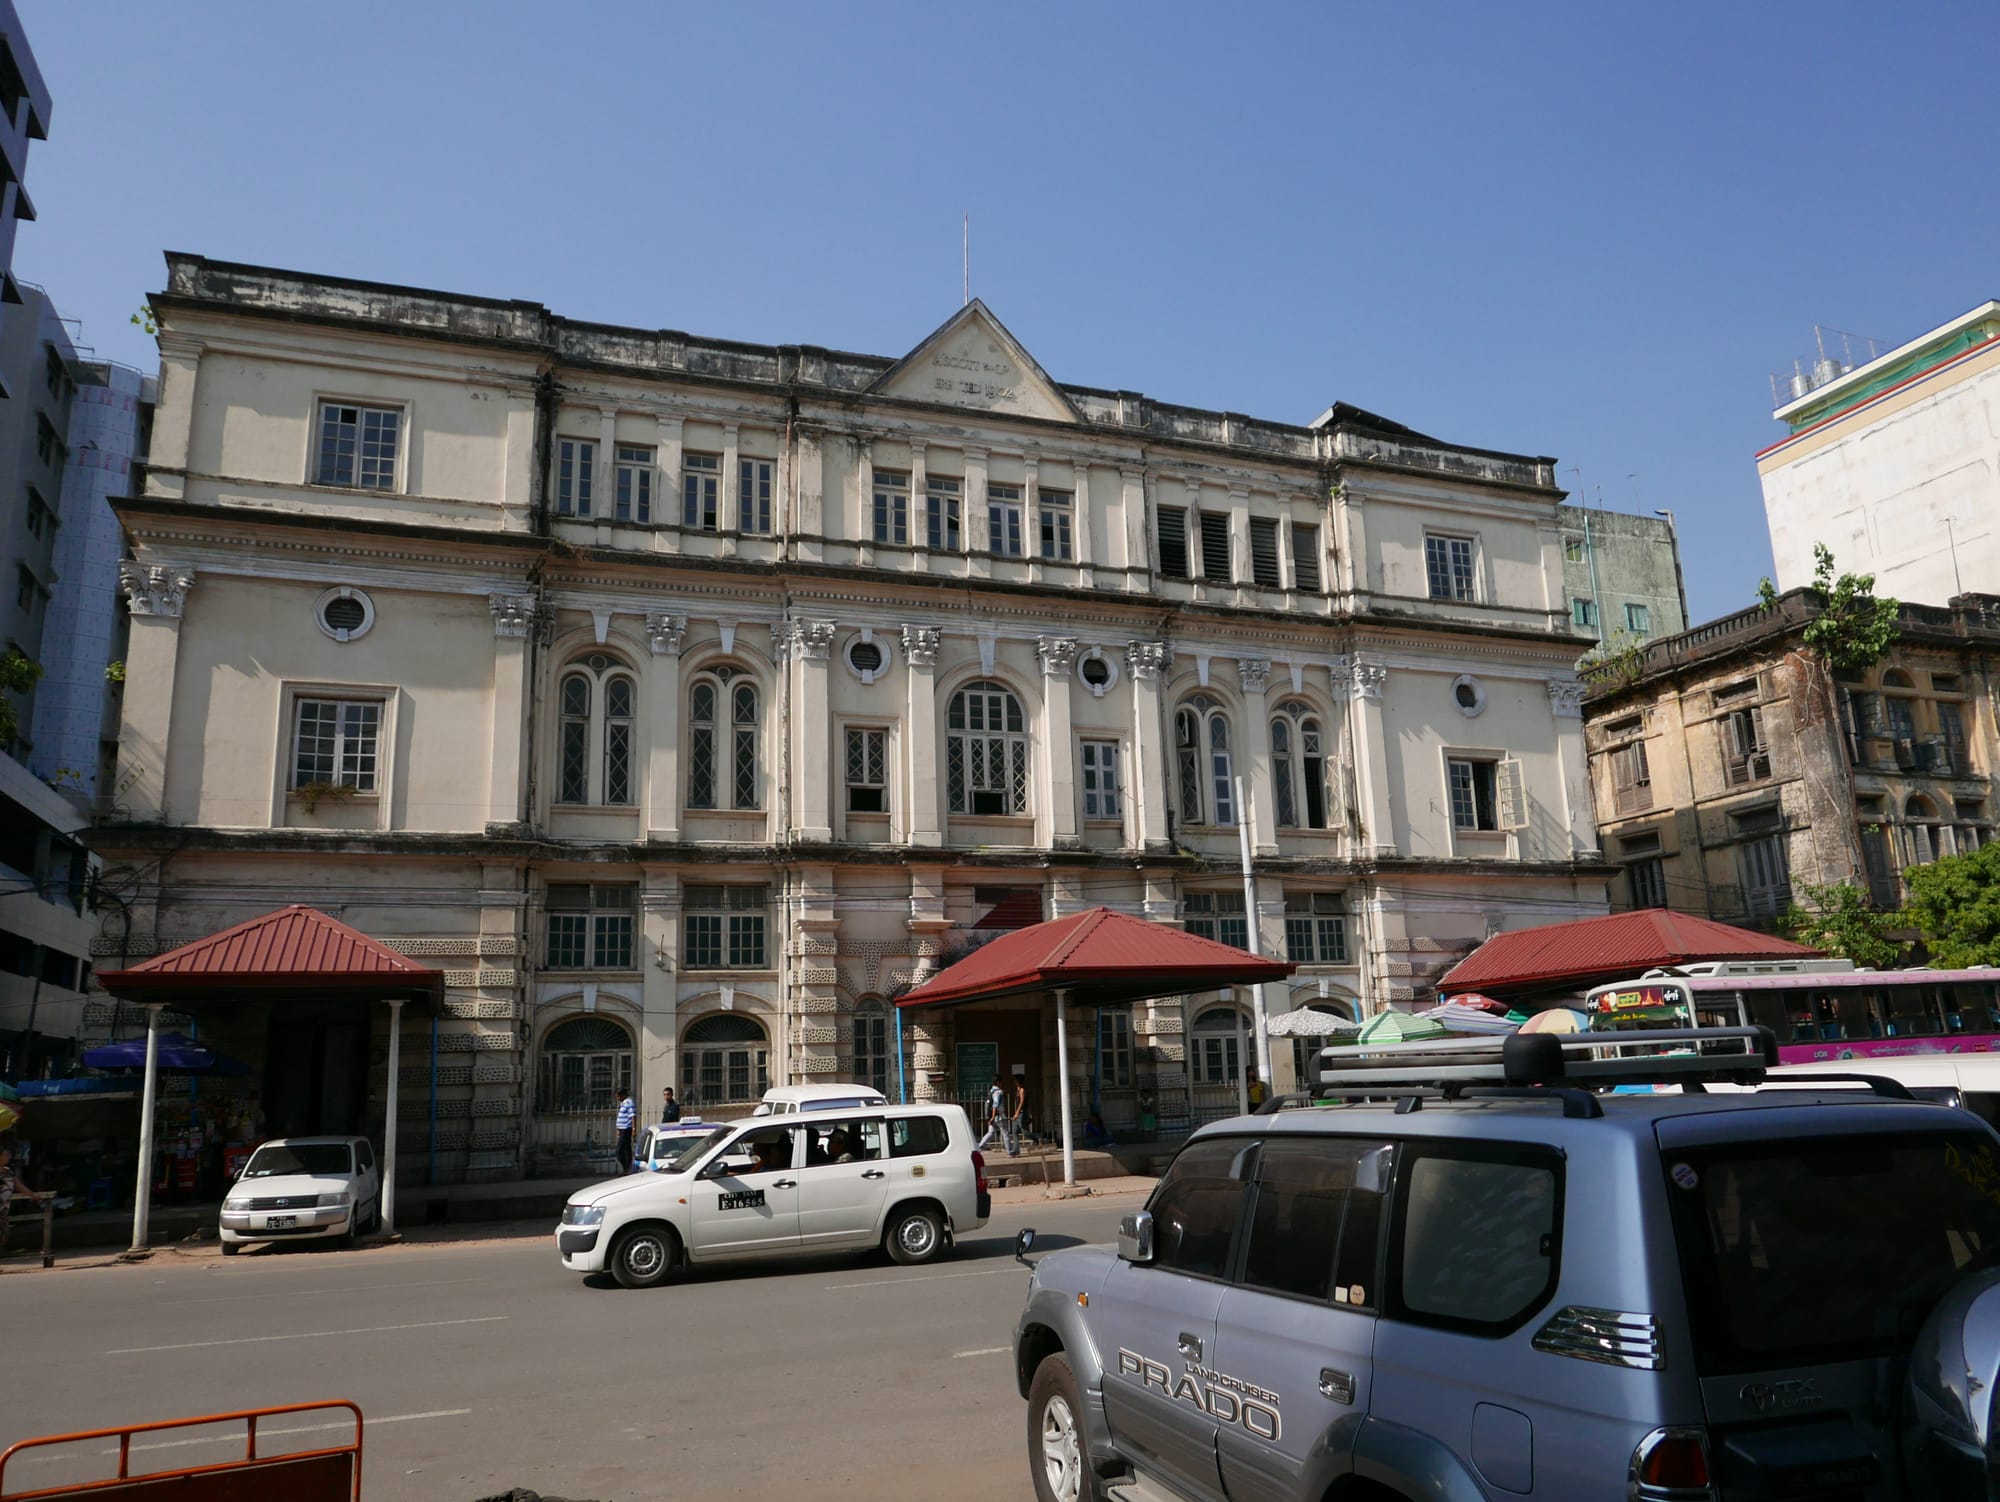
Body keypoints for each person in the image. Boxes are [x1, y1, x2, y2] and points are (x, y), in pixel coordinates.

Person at [0, 1145, 50, 1256]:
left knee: (4, 1233)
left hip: (3, 1209)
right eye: (5, 1155)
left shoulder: (8, 1172)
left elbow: (20, 1186)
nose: (8, 1157)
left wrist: (33, 1195)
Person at [976, 1075, 1007, 1152]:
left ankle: (980, 1146)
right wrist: (993, 1116)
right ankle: (1009, 1149)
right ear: (998, 1082)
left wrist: (990, 1116)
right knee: (1005, 1132)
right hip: (997, 1115)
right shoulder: (997, 1091)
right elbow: (995, 1104)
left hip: (992, 1115)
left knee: (991, 1132)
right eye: (1001, 1082)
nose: (1002, 1083)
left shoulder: (991, 1091)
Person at [613, 1087, 636, 1172]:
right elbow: (621, 1116)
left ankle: (627, 1167)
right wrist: (618, 1129)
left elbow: (633, 1116)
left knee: (619, 1151)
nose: (618, 1098)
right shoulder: (623, 1103)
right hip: (622, 1129)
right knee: (626, 1149)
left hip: (626, 1128)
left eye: (618, 1096)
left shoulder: (629, 1102)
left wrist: (633, 1129)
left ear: (623, 1095)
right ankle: (627, 1169)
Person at [1007, 1076, 1027, 1157]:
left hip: (1021, 1113)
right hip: (1017, 1113)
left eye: (1016, 1081)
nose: (1014, 1082)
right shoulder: (1018, 1090)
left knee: (1024, 1131)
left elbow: (1022, 1101)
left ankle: (1038, 1140)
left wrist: (1017, 1113)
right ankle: (1016, 1150)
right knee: (1014, 1131)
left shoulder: (1022, 1090)